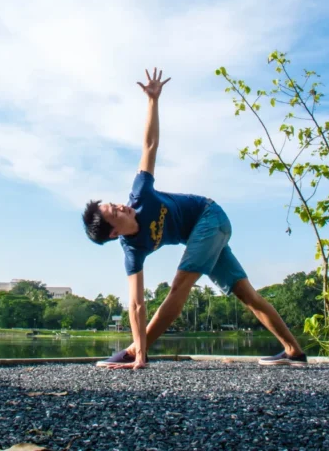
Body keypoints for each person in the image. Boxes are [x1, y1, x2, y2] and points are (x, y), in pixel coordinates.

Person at [81, 68, 306, 370]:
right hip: (206, 237)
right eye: (114, 212)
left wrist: (152, 101)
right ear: (112, 233)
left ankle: (135, 353)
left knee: (179, 285)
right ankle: (294, 351)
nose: (121, 206)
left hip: (210, 216)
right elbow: (136, 304)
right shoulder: (132, 250)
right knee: (246, 293)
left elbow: (149, 145)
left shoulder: (140, 193)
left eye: (115, 204)